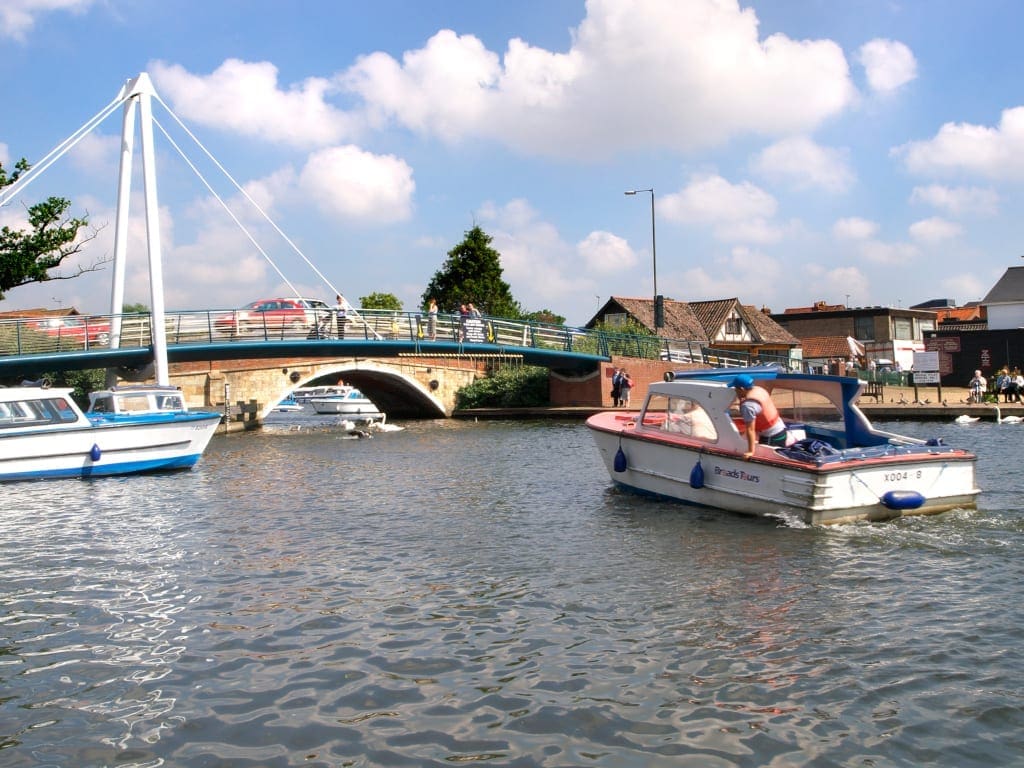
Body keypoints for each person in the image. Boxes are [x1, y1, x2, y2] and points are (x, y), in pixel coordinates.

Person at [732, 373, 787, 459]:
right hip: (781, 430)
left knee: (768, 461)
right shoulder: (758, 389)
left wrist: (750, 451)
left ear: (742, 389)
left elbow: (750, 430)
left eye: (736, 388)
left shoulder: (748, 405)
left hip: (771, 437)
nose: (735, 391)